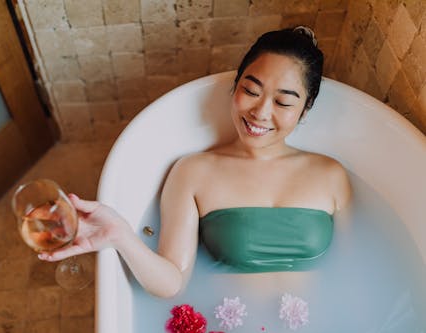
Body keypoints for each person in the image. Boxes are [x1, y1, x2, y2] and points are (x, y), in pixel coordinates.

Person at [38, 27, 352, 298]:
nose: (261, 112)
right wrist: (120, 236)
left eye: (283, 102)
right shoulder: (193, 171)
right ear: (235, 86)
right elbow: (171, 281)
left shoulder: (330, 174)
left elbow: (355, 260)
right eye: (251, 90)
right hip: (228, 319)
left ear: (306, 109)